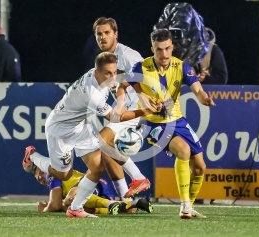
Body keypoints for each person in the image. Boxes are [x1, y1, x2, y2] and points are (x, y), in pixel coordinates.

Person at [22, 52, 160, 218]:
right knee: (63, 174)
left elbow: (125, 76)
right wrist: (145, 110)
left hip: (80, 126)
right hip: (59, 130)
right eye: (108, 73)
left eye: (114, 72)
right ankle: (33, 156)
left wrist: (140, 95)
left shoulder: (105, 74)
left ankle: (75, 209)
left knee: (97, 167)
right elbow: (117, 118)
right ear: (97, 72)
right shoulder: (92, 94)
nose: (112, 76)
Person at [119, 29, 215, 219]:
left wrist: (203, 98)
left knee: (200, 167)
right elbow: (122, 85)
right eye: (159, 50)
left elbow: (198, 90)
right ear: (152, 49)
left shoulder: (182, 67)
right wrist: (140, 95)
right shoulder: (141, 67)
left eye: (167, 49)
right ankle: (185, 206)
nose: (164, 54)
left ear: (172, 47)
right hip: (153, 124)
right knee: (183, 150)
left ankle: (191, 205)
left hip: (177, 120)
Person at [92, 17, 150, 200]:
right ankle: (127, 200)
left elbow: (147, 75)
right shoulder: (105, 60)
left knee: (102, 140)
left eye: (107, 33)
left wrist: (146, 102)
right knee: (107, 151)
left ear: (116, 34)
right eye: (99, 34)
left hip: (138, 112)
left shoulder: (127, 55)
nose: (103, 37)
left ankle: (139, 177)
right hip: (126, 113)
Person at [27, 164, 153, 214]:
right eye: (38, 179)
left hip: (85, 185)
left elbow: (55, 205)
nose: (40, 177)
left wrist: (45, 208)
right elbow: (58, 205)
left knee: (70, 201)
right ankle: (135, 203)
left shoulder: (51, 172)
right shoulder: (57, 178)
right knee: (90, 209)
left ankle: (110, 203)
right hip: (95, 186)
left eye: (41, 173)